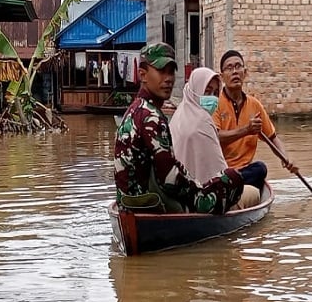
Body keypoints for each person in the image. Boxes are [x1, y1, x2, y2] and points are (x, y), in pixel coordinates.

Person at [114, 43, 244, 214]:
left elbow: (168, 165)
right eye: (161, 72)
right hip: (154, 204)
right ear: (143, 75)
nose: (168, 79)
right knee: (234, 178)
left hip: (129, 203)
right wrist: (200, 193)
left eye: (171, 72)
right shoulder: (152, 117)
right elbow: (169, 179)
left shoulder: (133, 110)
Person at [169, 67, 261, 210]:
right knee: (254, 191)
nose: (211, 98)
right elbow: (222, 175)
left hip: (180, 192)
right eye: (207, 92)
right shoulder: (204, 121)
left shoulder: (179, 114)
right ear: (194, 90)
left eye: (214, 93)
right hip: (202, 198)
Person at [213, 50, 300, 189]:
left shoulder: (254, 105)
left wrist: (286, 158)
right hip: (220, 172)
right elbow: (214, 136)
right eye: (229, 68)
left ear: (245, 72)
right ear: (222, 76)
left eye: (238, 67)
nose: (235, 72)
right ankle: (227, 185)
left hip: (245, 172)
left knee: (260, 169)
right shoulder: (215, 103)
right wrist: (246, 130)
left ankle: (233, 186)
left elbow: (272, 137)